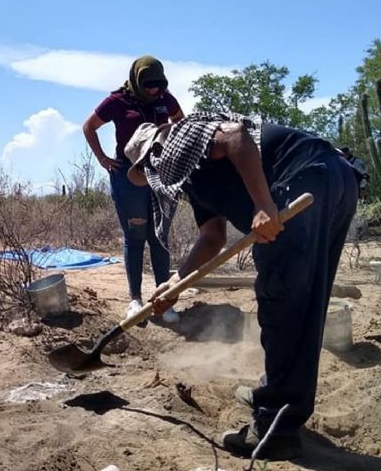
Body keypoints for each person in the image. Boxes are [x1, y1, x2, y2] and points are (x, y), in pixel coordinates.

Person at [125, 112, 359, 460]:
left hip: (304, 179)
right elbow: (212, 237)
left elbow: (237, 136)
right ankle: (277, 395)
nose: (155, 177)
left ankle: (274, 429)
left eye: (149, 169)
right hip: (333, 179)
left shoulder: (184, 138)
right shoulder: (194, 175)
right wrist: (175, 283)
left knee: (281, 303)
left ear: (154, 155)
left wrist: (264, 204)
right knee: (302, 302)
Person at [82, 55, 184, 324]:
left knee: (159, 237)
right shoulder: (117, 101)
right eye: (148, 85)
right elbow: (89, 126)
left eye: (158, 84)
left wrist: (172, 147)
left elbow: (180, 121)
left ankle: (164, 299)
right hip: (128, 177)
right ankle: (135, 301)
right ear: (137, 80)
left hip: (160, 175)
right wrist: (103, 159)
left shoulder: (165, 99)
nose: (154, 90)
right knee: (135, 236)